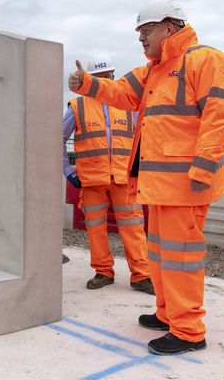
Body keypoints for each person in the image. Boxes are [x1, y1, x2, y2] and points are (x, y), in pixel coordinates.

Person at [68, 0, 224, 355]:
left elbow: (219, 116)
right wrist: (86, 84)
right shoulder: (154, 69)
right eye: (139, 32)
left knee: (181, 258)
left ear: (171, 26)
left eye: (147, 30)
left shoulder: (205, 59)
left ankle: (189, 331)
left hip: (186, 185)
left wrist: (204, 169)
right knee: (161, 255)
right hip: (159, 186)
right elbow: (122, 93)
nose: (141, 38)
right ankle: (167, 313)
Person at [63, 53, 154, 295]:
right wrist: (67, 171)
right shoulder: (78, 106)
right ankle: (103, 271)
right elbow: (57, 139)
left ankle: (142, 275)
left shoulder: (128, 105)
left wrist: (140, 170)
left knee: (134, 227)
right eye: (100, 77)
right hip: (91, 180)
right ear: (90, 79)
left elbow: (142, 139)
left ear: (114, 76)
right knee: (96, 228)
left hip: (124, 178)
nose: (105, 81)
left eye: (109, 76)